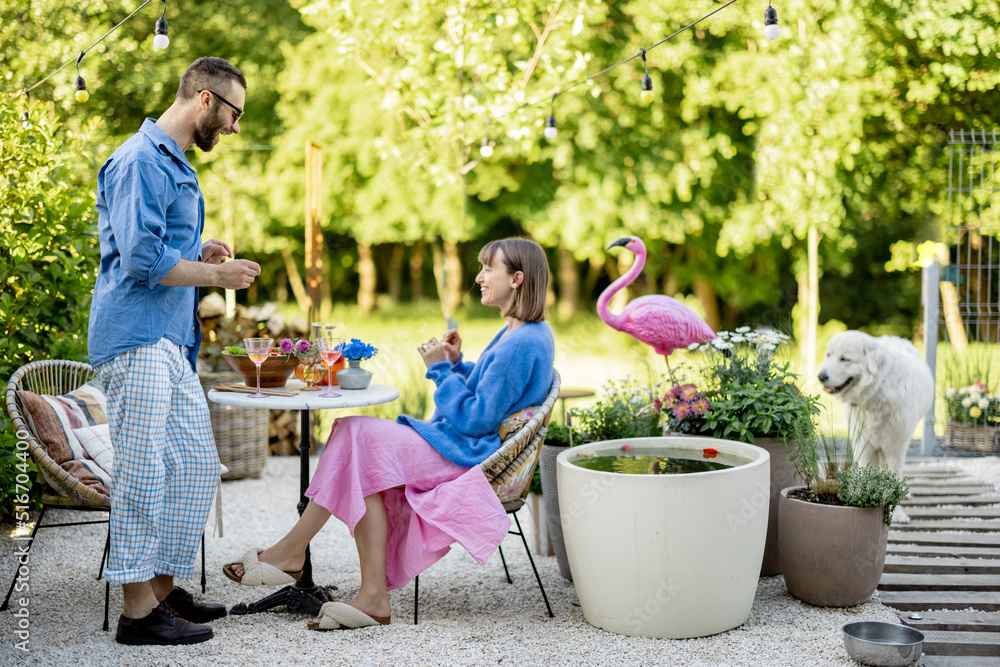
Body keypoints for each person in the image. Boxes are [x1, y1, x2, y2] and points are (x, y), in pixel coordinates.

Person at [223, 237, 555, 630]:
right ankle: (368, 595)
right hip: (462, 445)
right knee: (359, 450)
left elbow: (476, 419)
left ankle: (295, 555)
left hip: (465, 455)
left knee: (354, 436)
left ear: (517, 279)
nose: (479, 277)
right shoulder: (523, 333)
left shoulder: (522, 342)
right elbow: (493, 398)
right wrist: (457, 363)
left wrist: (440, 371)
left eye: (488, 268)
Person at [88, 57, 261, 646]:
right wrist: (219, 279)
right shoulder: (140, 159)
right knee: (143, 470)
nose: (236, 128)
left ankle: (162, 589)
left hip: (168, 338)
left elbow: (159, 248)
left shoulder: (172, 163)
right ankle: (138, 614)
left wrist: (201, 253)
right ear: (207, 100)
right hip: (135, 335)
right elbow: (139, 260)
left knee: (191, 464)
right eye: (235, 113)